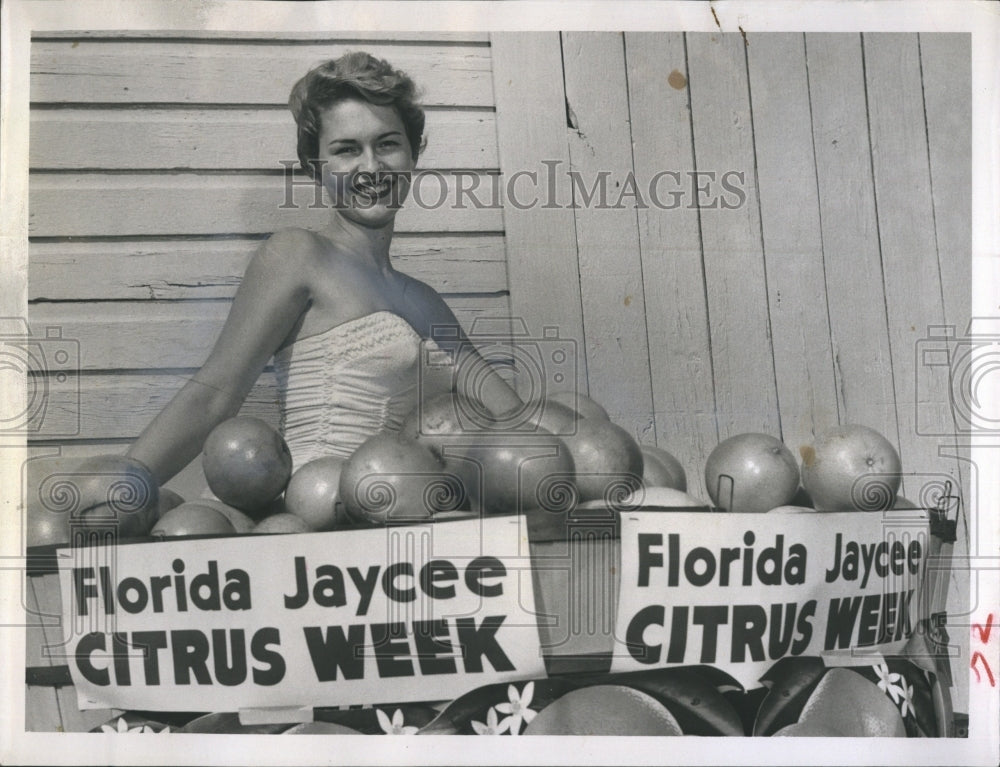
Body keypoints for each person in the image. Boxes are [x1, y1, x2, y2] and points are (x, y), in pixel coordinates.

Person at [98, 52, 523, 499]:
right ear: (314, 166)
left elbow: (515, 422)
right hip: (308, 523)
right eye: (346, 150)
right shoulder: (298, 254)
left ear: (413, 155)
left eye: (387, 144)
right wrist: (120, 491)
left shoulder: (426, 302)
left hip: (397, 523)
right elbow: (215, 394)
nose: (372, 167)